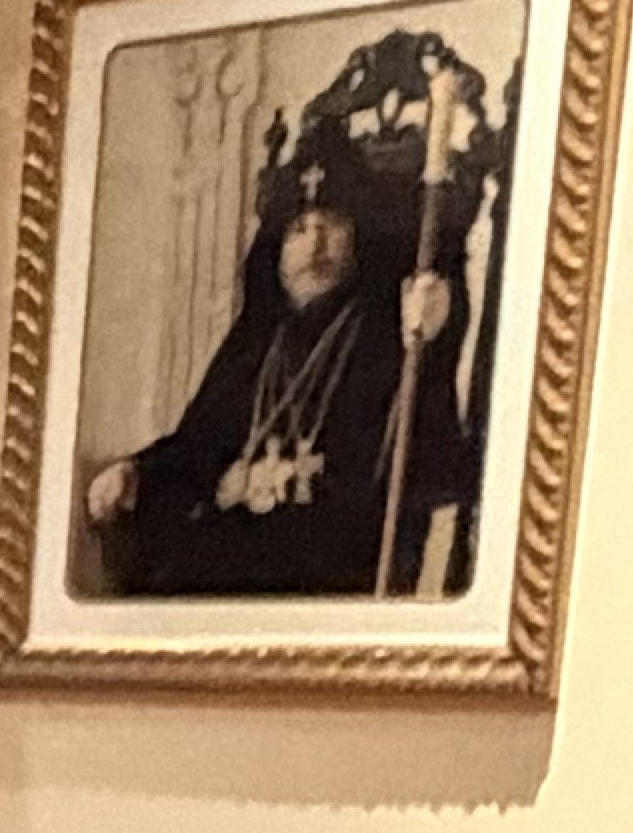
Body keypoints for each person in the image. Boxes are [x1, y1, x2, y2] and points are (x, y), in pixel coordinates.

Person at [82, 93, 477, 599]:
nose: (314, 246)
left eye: (330, 227)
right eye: (298, 230)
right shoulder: (259, 340)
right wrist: (137, 472)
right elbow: (200, 445)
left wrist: (429, 343)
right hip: (242, 551)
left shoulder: (383, 330)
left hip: (332, 560)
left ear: (356, 239)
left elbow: (422, 454)